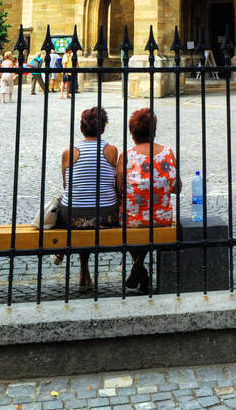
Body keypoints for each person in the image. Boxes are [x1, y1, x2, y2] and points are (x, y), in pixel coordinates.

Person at [116, 108, 180, 295]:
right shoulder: (167, 153)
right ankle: (141, 270)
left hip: (132, 220)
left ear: (132, 133)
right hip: (162, 218)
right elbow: (177, 187)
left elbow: (119, 189)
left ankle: (140, 267)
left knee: (130, 222)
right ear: (154, 130)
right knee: (146, 223)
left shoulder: (126, 156)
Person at [55, 106, 120, 291]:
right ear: (103, 128)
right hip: (105, 215)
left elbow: (67, 186)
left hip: (72, 217)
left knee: (77, 211)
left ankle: (83, 270)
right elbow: (115, 184)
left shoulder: (69, 152)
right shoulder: (111, 150)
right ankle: (83, 271)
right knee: (92, 211)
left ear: (81, 128)